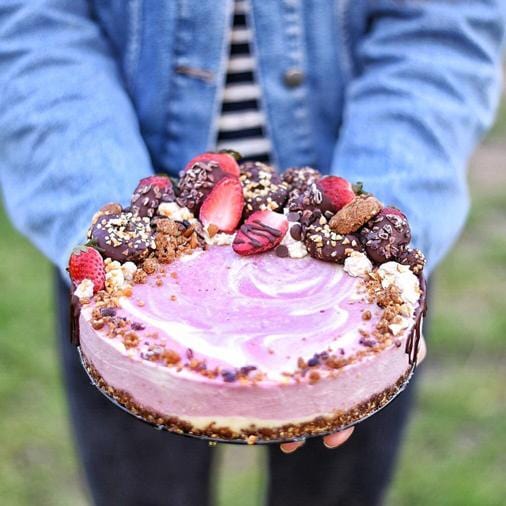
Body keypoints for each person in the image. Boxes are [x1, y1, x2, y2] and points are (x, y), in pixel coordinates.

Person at [0, 1, 503, 505]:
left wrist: (378, 229)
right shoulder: (122, 252)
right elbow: (34, 25)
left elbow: (439, 29)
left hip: (352, 257)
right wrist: (115, 231)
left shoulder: (370, 245)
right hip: (132, 248)